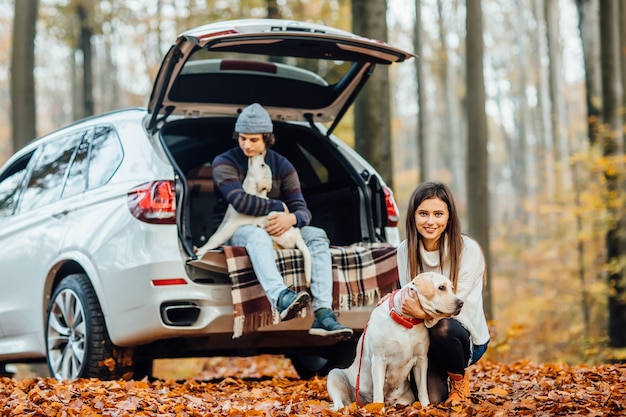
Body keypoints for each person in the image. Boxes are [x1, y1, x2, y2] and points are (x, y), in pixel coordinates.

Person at [209, 103, 353, 339]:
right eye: (242, 138)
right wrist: (279, 207)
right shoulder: (223, 162)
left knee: (316, 234)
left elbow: (303, 212)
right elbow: (241, 203)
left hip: (281, 227)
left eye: (253, 140)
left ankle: (324, 313)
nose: (246, 145)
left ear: (267, 139)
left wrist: (291, 218)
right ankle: (281, 297)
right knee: (257, 235)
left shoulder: (283, 165)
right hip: (238, 228)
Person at [397, 181, 490, 407]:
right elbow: (406, 299)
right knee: (432, 402)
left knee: (443, 327)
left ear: (449, 217)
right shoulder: (404, 250)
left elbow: (452, 307)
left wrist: (419, 310)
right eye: (423, 214)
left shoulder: (468, 250)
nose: (430, 221)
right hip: (425, 338)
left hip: (463, 336)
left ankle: (459, 380)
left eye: (438, 214)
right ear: (413, 216)